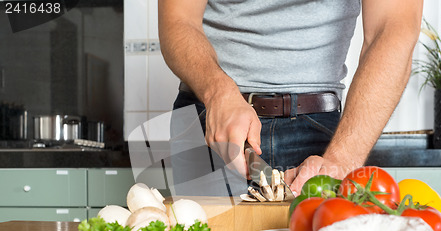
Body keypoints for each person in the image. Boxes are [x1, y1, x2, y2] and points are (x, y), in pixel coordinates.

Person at [158, 0, 424, 195]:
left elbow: (393, 27)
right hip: (212, 116)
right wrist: (217, 92)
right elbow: (178, 19)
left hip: (320, 130)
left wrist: (341, 160)